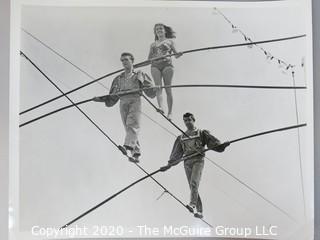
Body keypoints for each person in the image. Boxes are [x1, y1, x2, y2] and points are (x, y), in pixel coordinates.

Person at [161, 112, 230, 218]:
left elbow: (213, 143)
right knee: (192, 186)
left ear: (193, 120)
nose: (187, 122)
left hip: (198, 160)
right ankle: (200, 211)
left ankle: (192, 205)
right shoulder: (181, 137)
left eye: (189, 120)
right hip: (187, 162)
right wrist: (168, 165)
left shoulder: (201, 133)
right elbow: (176, 153)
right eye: (185, 120)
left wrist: (222, 146)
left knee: (194, 183)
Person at [93, 52, 157, 163]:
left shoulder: (139, 74)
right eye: (122, 60)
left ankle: (127, 146)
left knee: (132, 124)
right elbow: (112, 95)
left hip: (134, 99)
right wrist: (100, 99)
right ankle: (136, 154)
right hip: (123, 101)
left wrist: (156, 89)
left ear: (132, 61)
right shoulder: (118, 78)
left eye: (126, 60)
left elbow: (150, 90)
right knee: (128, 128)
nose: (124, 62)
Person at [148, 23, 182, 120]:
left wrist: (179, 54)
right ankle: (161, 107)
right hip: (155, 66)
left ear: (164, 30)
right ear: (155, 32)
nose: (159, 30)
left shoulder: (170, 41)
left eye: (160, 28)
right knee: (158, 87)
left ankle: (170, 112)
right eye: (157, 29)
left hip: (167, 65)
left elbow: (176, 55)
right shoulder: (153, 44)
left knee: (168, 88)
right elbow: (149, 59)